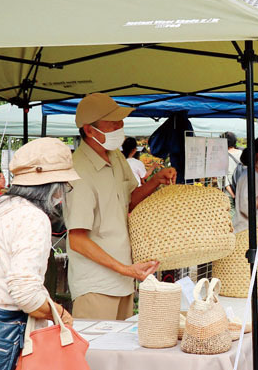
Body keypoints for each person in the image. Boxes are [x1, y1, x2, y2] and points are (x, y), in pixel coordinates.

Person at [0, 137, 78, 370]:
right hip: (13, 342)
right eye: (63, 186)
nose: (63, 194)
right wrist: (59, 313)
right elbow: (26, 294)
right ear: (52, 187)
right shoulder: (32, 217)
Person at [65, 93, 177, 321]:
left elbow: (130, 200)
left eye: (120, 120)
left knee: (120, 351)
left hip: (124, 279)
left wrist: (155, 180)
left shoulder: (115, 156)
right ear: (89, 130)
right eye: (113, 122)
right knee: (99, 354)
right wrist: (126, 269)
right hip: (96, 285)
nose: (120, 126)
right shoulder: (79, 171)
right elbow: (77, 240)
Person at [224, 131, 243, 198]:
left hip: (230, 194)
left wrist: (233, 195)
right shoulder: (242, 153)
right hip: (243, 192)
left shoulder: (222, 156)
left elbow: (224, 179)